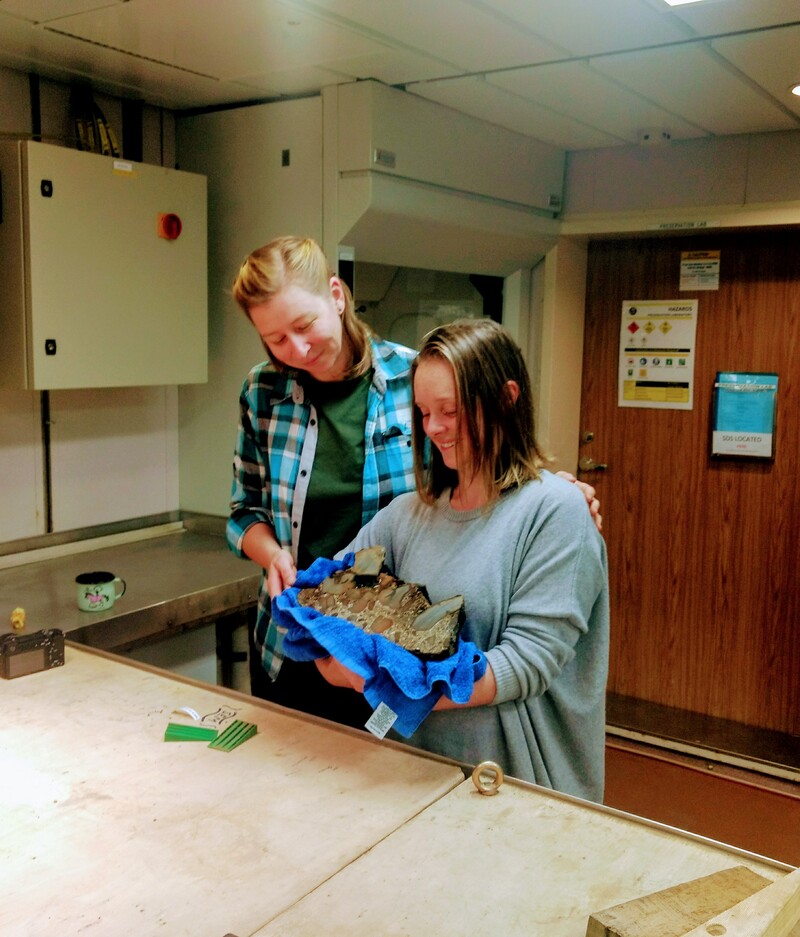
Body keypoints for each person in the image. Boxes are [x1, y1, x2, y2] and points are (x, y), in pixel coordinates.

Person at [226, 236, 602, 731]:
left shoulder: (415, 377)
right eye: (275, 339)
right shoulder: (263, 391)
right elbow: (242, 512)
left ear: (336, 296)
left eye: (304, 325)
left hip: (394, 643)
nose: (296, 350)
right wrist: (274, 556)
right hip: (296, 643)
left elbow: (479, 456)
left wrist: (551, 494)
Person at [315, 318, 609, 802]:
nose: (433, 428)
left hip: (513, 786)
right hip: (408, 776)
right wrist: (357, 658)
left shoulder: (556, 512)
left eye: (450, 410)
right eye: (424, 412)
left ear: (506, 398)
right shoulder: (406, 516)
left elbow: (524, 664)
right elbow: (318, 613)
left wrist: (381, 674)